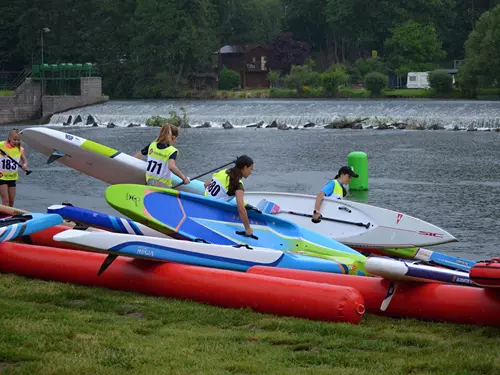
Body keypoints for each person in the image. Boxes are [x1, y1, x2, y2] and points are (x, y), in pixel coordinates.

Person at [204, 155, 255, 237]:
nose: (250, 172)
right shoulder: (238, 185)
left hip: (203, 202)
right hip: (212, 211)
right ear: (245, 167)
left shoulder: (224, 171)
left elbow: (206, 184)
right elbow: (241, 209)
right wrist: (248, 229)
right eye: (250, 169)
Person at [134, 123, 190, 188]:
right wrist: (184, 178)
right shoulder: (172, 151)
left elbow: (135, 157)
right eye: (176, 138)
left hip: (149, 183)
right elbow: (171, 167)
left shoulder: (152, 145)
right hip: (163, 186)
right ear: (173, 137)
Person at [0, 128, 29, 207]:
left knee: (11, 201)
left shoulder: (20, 149)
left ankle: (9, 218)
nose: (16, 142)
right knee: (5, 200)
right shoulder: (1, 145)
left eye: (18, 140)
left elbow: (24, 160)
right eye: (14, 140)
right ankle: (3, 218)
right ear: (9, 138)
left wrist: (25, 165)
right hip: (1, 177)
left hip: (12, 177)